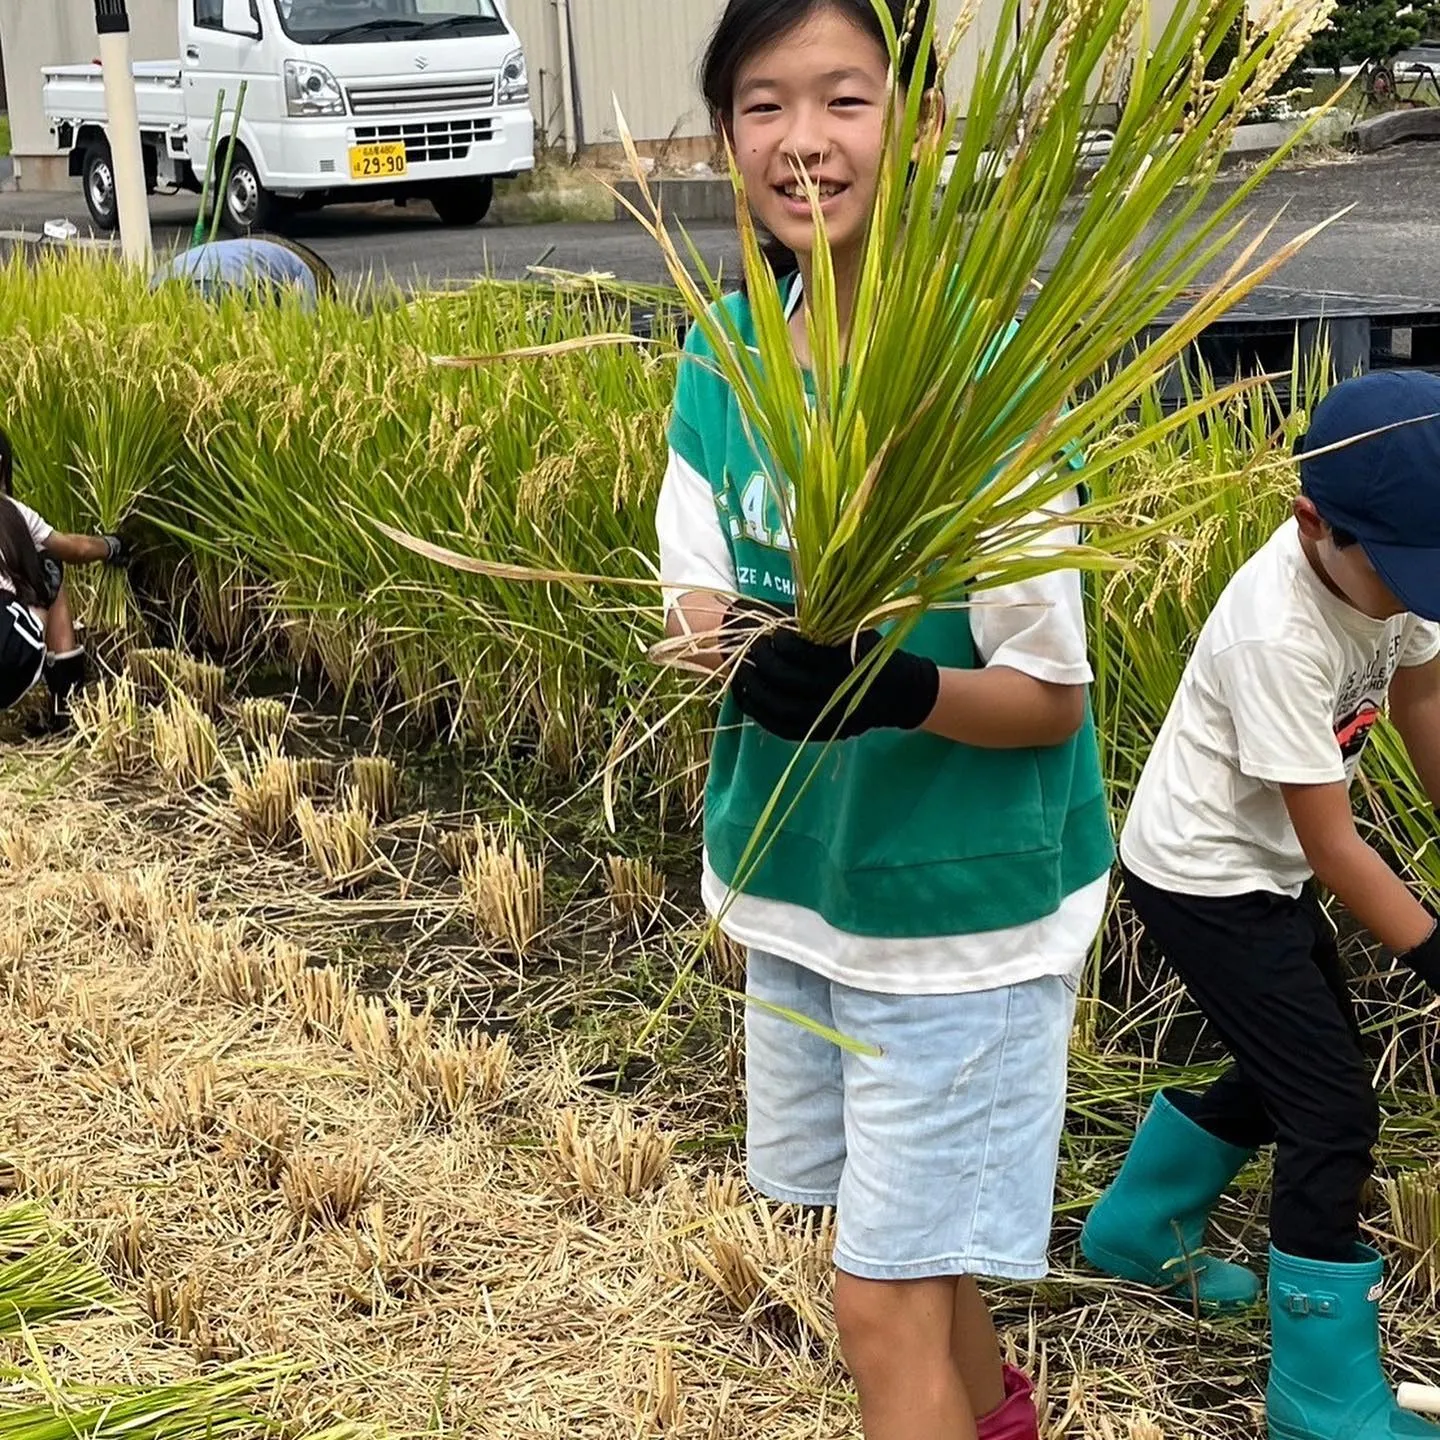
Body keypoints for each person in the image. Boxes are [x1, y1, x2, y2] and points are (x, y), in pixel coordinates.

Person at [656, 3, 1114, 1437]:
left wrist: (896, 687)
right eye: (764, 106)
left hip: (956, 920)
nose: (804, 142)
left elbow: (1049, 703)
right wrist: (735, 648)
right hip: (801, 884)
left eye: (845, 100)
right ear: (730, 137)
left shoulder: (988, 382)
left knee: (876, 1300)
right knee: (901, 1250)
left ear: (917, 128)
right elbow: (692, 584)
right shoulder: (727, 352)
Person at [1082, 371, 1440, 1440]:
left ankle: (1140, 1229)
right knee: (1332, 1109)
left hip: (1264, 868)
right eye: (1402, 571)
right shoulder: (1275, 634)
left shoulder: (1401, 579)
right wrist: (1436, 950)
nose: (1417, 595)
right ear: (1312, 522)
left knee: (1303, 1054)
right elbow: (1336, 848)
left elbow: (1422, 704)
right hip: (1202, 876)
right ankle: (1319, 1400)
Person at [0, 427, 127, 728]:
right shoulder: (10, 511)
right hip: (7, 656)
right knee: (50, 565)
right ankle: (66, 704)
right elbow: (77, 549)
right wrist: (113, 545)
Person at [150, 235, 336, 310]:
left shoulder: (257, 248)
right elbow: (306, 331)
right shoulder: (303, 271)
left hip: (166, 275)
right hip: (231, 279)